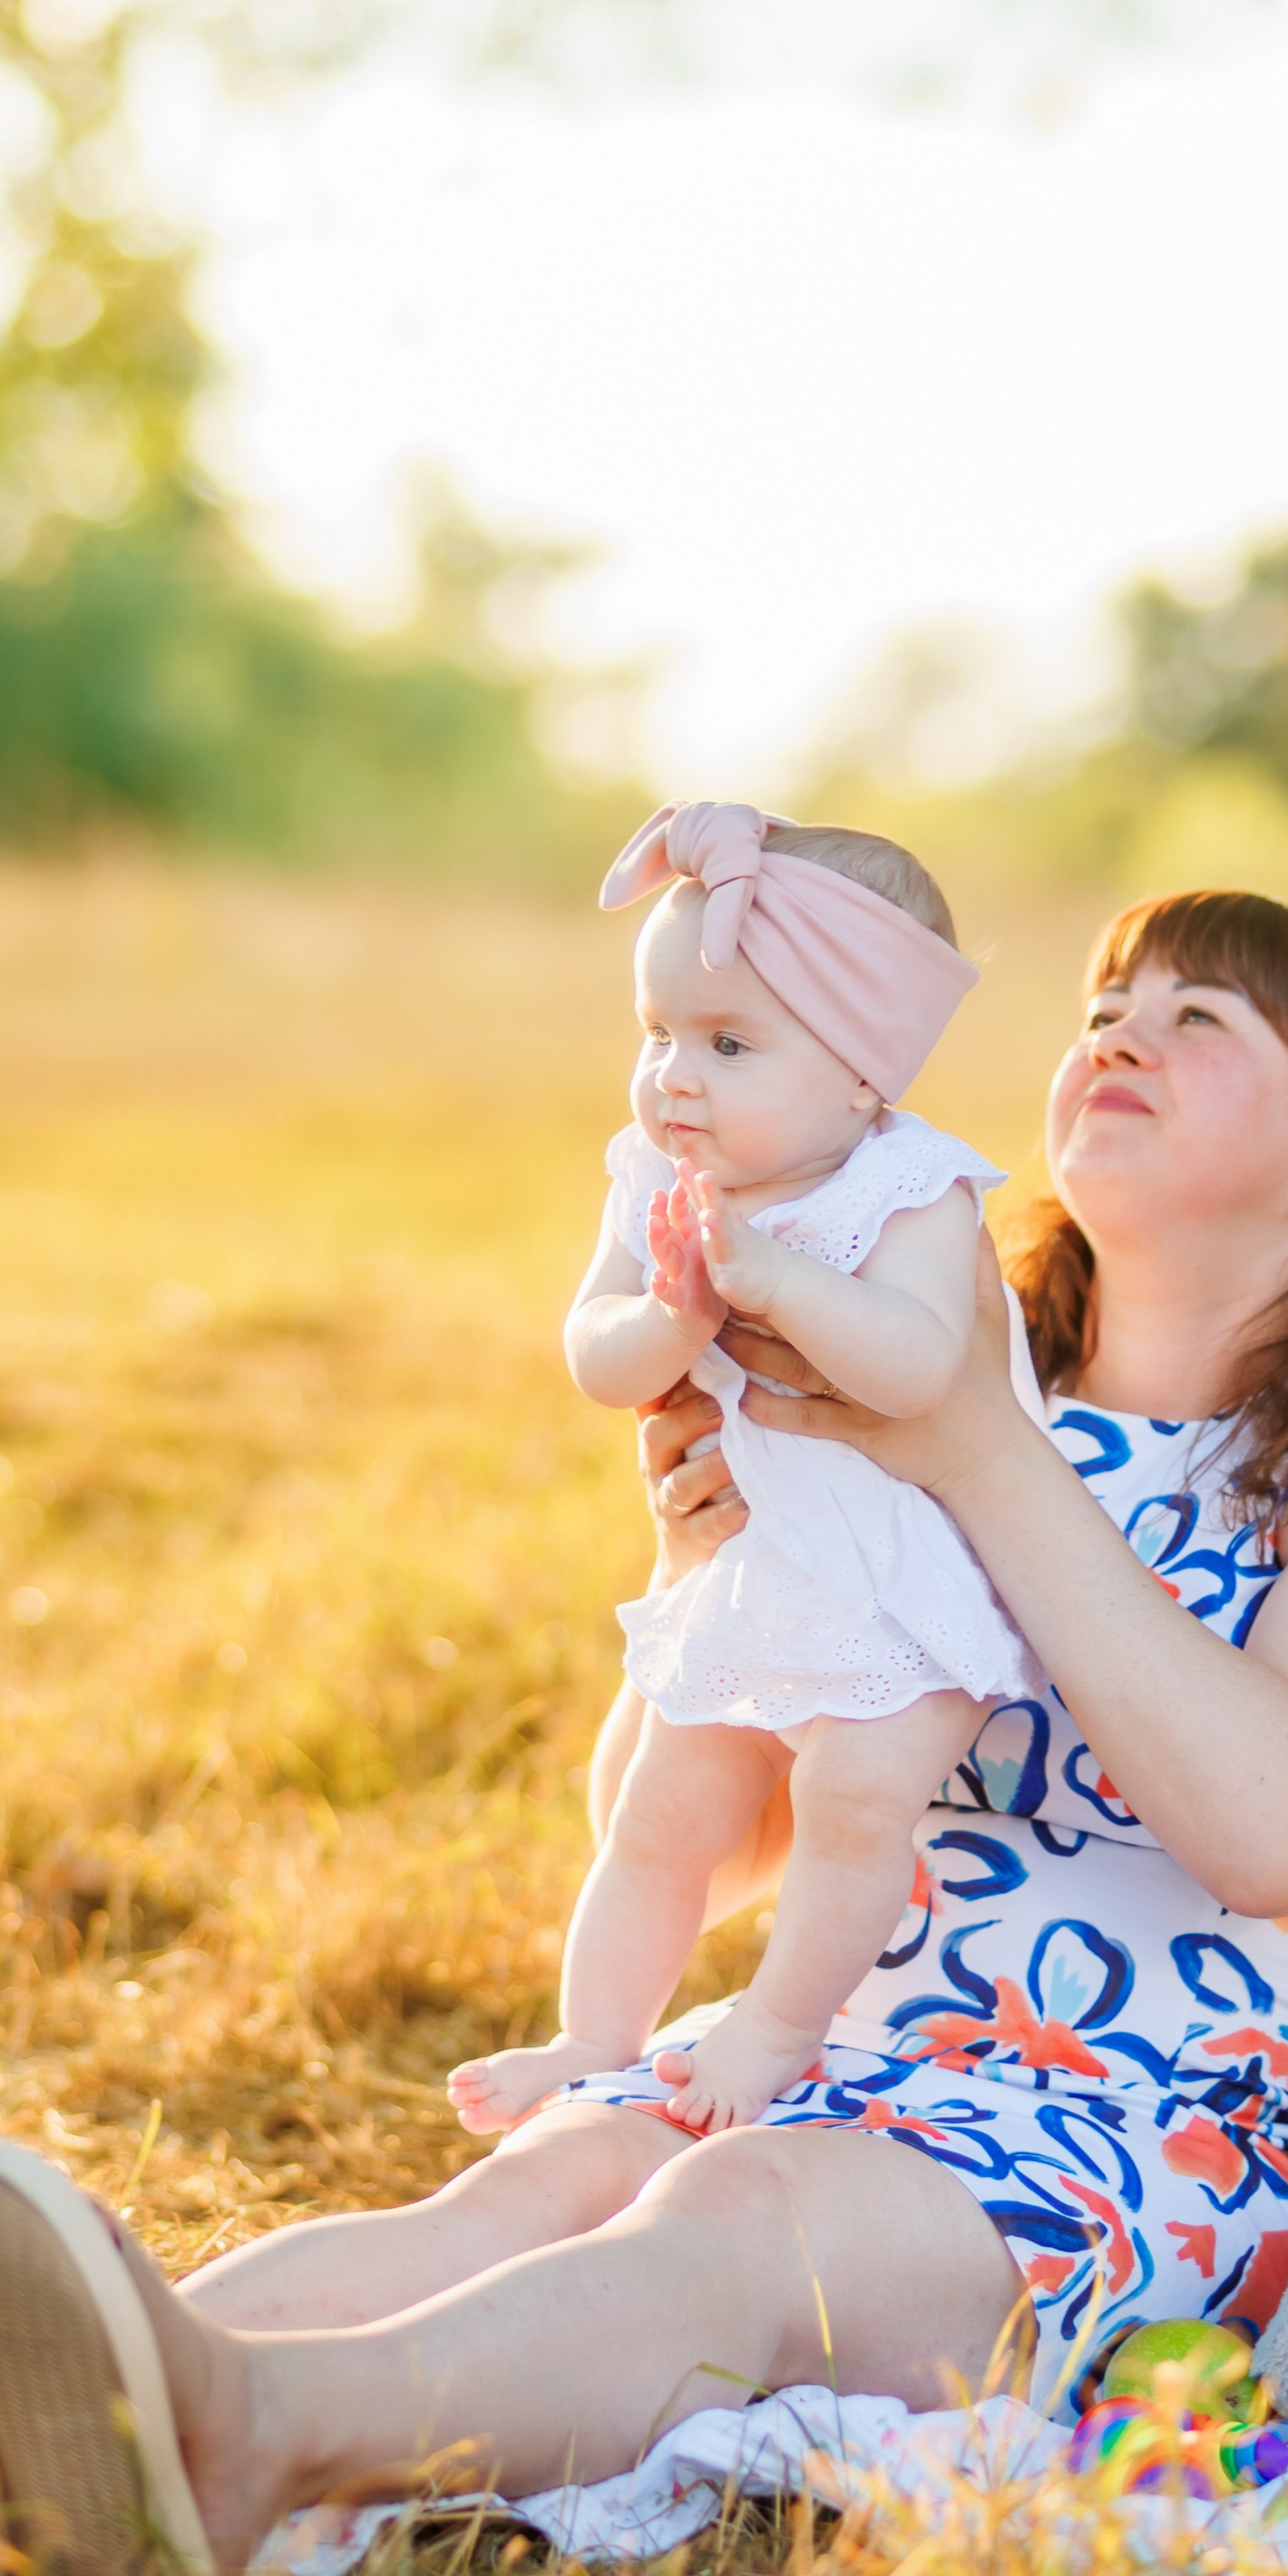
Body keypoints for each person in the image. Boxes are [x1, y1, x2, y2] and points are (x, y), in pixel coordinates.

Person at [0, 888, 1288, 2576]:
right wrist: (697, 1582)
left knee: (727, 2212)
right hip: (841, 2040)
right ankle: (32, 2421)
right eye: (1108, 1000)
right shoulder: (935, 1379)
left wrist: (970, 1452)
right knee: (523, 2193)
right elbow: (706, 1841)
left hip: (1172, 2139)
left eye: (1202, 1023)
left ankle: (230, 2445)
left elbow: (1276, 1829)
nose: (1117, 1034)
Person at [451, 801, 1041, 2142]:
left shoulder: (912, 1192)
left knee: (850, 1796)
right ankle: (591, 2037)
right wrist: (670, 1318)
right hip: (761, 1569)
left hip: (912, 1588)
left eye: (727, 1044)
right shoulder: (655, 1176)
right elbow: (597, 1352)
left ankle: (776, 2027)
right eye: (657, 1034)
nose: (676, 1077)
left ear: (860, 1075)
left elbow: (917, 1368)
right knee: (664, 1811)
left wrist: (773, 1281)